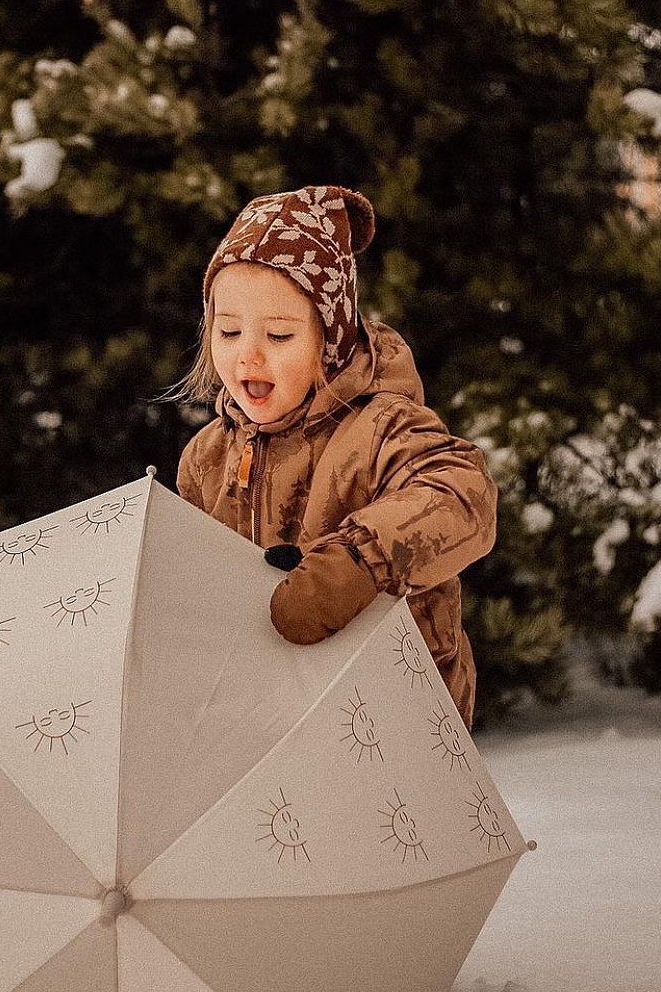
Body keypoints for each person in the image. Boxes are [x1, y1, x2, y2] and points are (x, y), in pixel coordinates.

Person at [172, 184, 496, 727]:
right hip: (274, 716)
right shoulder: (206, 458)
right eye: (227, 331)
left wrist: (360, 560)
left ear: (329, 339)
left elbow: (464, 497)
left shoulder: (381, 429)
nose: (246, 353)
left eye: (278, 335)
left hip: (394, 713)